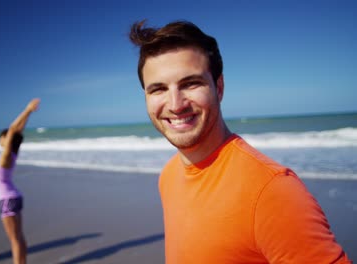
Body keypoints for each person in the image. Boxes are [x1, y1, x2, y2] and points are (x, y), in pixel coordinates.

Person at [129, 20, 351, 263]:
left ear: (219, 87)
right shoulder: (169, 175)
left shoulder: (271, 191)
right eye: (158, 89)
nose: (175, 104)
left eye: (191, 83)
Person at [0, 98, 40, 264]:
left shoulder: (6, 156)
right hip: (13, 197)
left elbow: (13, 129)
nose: (0, 138)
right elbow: (17, 131)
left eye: (3, 137)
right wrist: (29, 114)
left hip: (7, 199)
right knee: (18, 237)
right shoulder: (11, 155)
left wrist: (27, 110)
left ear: (7, 141)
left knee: (14, 239)